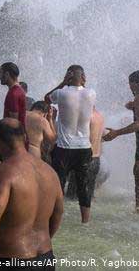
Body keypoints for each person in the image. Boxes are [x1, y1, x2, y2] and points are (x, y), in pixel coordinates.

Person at [0, 118, 63, 270]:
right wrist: (44, 239)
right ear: (25, 138)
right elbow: (58, 213)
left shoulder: (2, 172)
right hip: (46, 259)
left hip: (10, 260)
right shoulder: (49, 172)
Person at [103, 70, 139, 219]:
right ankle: (138, 208)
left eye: (130, 84)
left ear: (135, 84)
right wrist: (137, 107)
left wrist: (116, 132)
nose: (129, 88)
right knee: (137, 173)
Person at [45, 65, 96, 223]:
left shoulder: (61, 93)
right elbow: (83, 93)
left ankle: (56, 219)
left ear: (68, 76)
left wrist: (62, 82)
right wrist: (79, 80)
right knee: (83, 186)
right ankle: (85, 221)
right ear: (83, 77)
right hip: (84, 148)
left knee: (59, 184)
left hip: (64, 148)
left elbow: (46, 98)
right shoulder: (91, 93)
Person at [0, 62, 26, 127]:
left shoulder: (13, 94)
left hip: (13, 135)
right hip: (19, 134)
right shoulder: (19, 90)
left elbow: (14, 122)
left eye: (0, 73)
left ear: (7, 74)